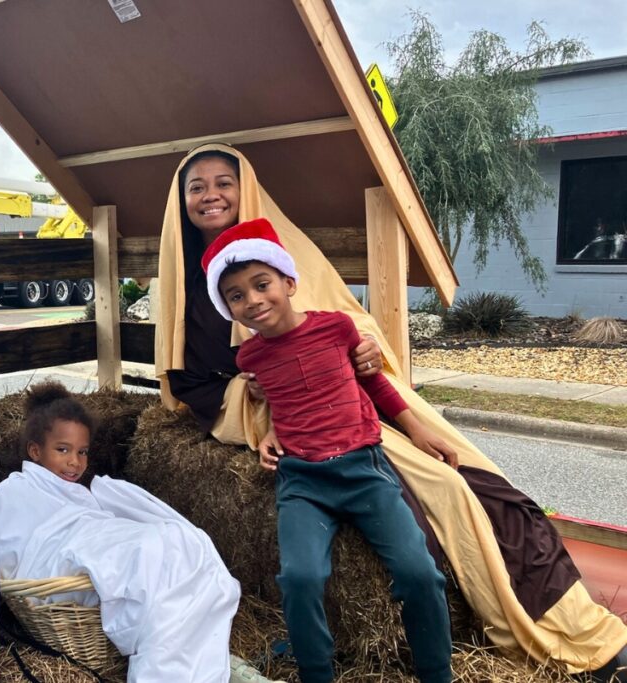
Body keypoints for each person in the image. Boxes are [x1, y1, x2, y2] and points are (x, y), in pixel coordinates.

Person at [154, 143, 627, 680]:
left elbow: (351, 332)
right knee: (338, 555)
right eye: (197, 187)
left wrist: (381, 372)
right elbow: (195, 380)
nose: (212, 194)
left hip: (352, 408)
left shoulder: (288, 254)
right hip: (284, 433)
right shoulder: (188, 284)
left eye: (224, 181)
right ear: (182, 202)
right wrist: (254, 414)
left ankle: (567, 627)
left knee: (476, 490)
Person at [205, 217, 454, 683]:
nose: (254, 300)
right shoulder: (250, 359)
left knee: (420, 571)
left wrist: (416, 428)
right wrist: (271, 431)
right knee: (299, 579)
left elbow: (374, 382)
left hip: (364, 471)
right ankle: (316, 675)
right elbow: (277, 396)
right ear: (228, 308)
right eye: (236, 295)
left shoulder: (338, 329)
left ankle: (437, 673)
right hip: (303, 483)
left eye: (262, 285)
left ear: (290, 282)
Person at [0, 382, 242, 683]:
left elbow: (94, 523)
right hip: (53, 560)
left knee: (184, 541)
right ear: (35, 451)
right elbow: (7, 548)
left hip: (88, 537)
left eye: (82, 452)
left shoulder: (76, 493)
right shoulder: (15, 489)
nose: (74, 462)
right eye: (63, 450)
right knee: (149, 549)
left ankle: (177, 659)